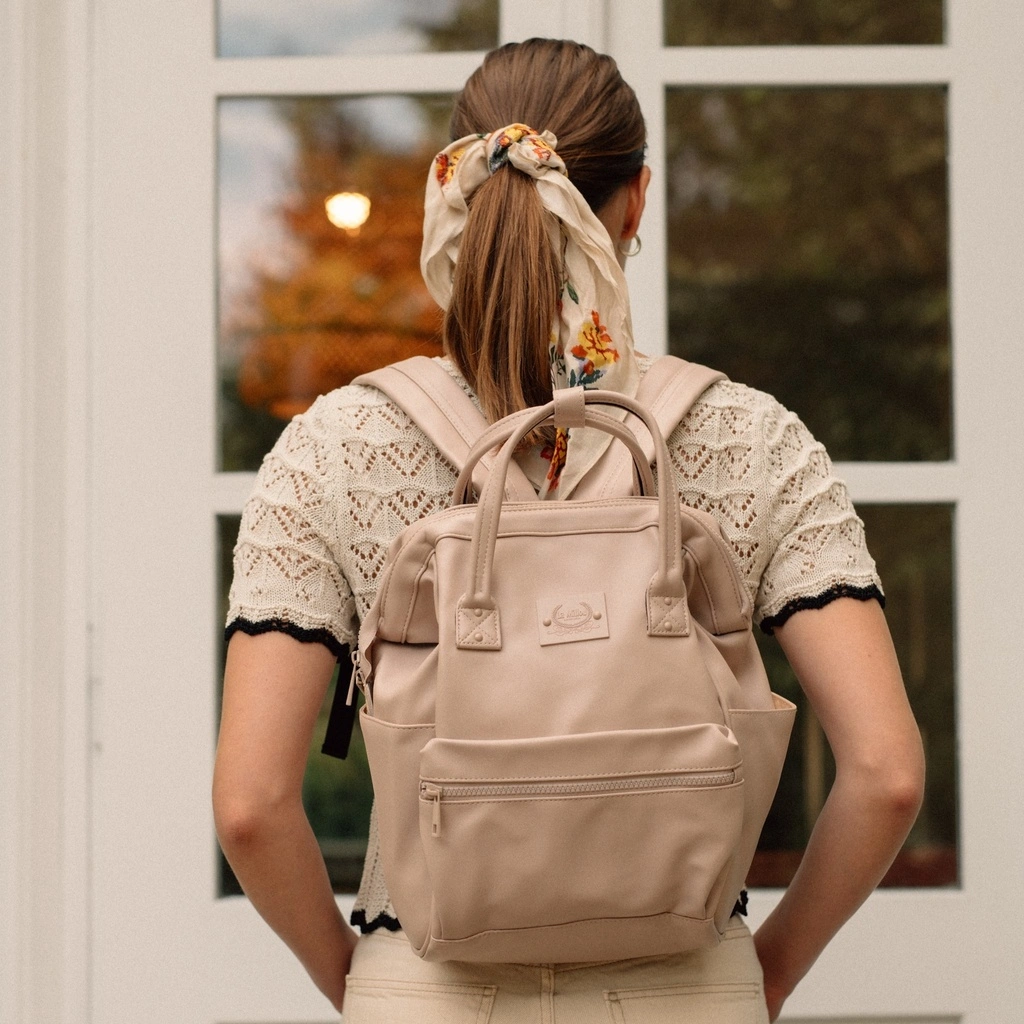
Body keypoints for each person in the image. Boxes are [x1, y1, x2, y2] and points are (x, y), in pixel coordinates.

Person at [213, 38, 924, 1023]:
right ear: (636, 200)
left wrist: (358, 979)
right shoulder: (750, 437)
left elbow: (250, 806)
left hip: (429, 986)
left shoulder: (334, 445)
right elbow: (886, 773)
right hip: (688, 987)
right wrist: (765, 973)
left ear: (459, 190)